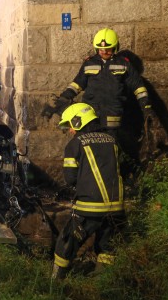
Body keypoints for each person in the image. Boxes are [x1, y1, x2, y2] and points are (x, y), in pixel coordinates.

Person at [51, 103, 125, 280]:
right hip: (117, 207)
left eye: (70, 125)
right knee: (107, 246)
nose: (69, 131)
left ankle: (56, 282)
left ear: (78, 121)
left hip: (90, 206)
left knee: (67, 241)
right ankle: (103, 282)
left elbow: (70, 179)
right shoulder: (112, 140)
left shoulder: (75, 144)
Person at [41, 28, 153, 130]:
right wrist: (64, 98)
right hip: (89, 114)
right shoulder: (89, 63)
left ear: (115, 47)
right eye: (100, 49)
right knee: (90, 142)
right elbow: (77, 84)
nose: (104, 52)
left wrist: (146, 106)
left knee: (111, 144)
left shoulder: (124, 64)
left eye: (108, 49)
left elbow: (138, 87)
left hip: (113, 114)